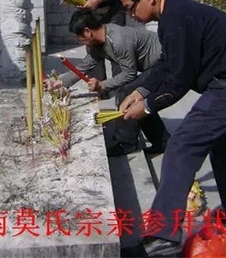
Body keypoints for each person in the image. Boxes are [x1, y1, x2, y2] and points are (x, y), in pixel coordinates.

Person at [118, 0, 226, 257]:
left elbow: (179, 80)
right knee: (223, 147)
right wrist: (141, 90)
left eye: (130, 8)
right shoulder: (173, 14)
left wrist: (149, 107)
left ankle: (163, 237)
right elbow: (167, 63)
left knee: (182, 145)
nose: (131, 15)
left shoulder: (176, 19)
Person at [45, 10, 170, 157]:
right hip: (155, 64)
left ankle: (126, 143)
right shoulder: (101, 41)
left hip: (165, 62)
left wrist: (102, 85)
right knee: (138, 101)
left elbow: (129, 74)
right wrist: (59, 82)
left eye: (79, 37)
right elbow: (85, 65)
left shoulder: (118, 40)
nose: (79, 42)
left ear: (87, 31)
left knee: (128, 93)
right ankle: (163, 142)